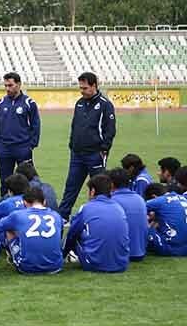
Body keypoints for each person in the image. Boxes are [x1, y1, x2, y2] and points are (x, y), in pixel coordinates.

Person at [58, 72, 116, 221]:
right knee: (71, 186)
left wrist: (104, 149)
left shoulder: (105, 105)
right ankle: (62, 216)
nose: (82, 91)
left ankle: (99, 217)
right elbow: (75, 125)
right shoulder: (79, 103)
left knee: (98, 188)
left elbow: (110, 130)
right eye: (80, 88)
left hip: (95, 154)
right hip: (77, 154)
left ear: (94, 86)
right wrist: (72, 144)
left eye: (84, 88)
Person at [63, 175, 129, 273]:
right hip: (122, 264)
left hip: (93, 265)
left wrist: (63, 254)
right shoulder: (119, 208)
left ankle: (66, 256)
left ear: (93, 191)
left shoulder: (86, 208)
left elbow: (72, 235)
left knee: (74, 233)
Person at [0, 187, 63, 274]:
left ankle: (14, 256)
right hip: (55, 266)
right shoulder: (56, 216)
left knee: (9, 230)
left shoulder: (18, 215)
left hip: (27, 267)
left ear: (24, 202)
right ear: (44, 202)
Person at [0, 72, 41, 196]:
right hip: (4, 149)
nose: (7, 88)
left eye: (10, 85)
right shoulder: (0, 103)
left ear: (19, 84)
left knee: (28, 180)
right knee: (5, 181)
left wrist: (31, 145)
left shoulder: (29, 103)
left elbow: (36, 125)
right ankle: (4, 206)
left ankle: (29, 204)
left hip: (23, 148)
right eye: (6, 86)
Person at [144, 183, 187, 256]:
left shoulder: (159, 201)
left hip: (172, 248)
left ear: (154, 197)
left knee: (141, 225)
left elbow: (138, 210)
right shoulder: (182, 198)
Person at [109, 168, 148, 261]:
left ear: (111, 184)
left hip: (123, 253)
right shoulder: (140, 199)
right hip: (140, 252)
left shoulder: (112, 202)